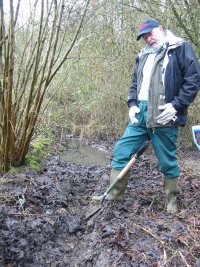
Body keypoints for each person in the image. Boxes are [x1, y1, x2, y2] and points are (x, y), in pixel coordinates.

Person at [92, 19, 200, 213]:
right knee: (122, 150)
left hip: (164, 114)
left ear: (161, 29)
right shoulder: (142, 55)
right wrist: (132, 104)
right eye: (144, 37)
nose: (148, 39)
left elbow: (193, 80)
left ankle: (171, 201)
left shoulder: (180, 48)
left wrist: (177, 105)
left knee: (166, 160)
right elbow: (135, 84)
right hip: (140, 114)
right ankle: (114, 195)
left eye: (151, 34)